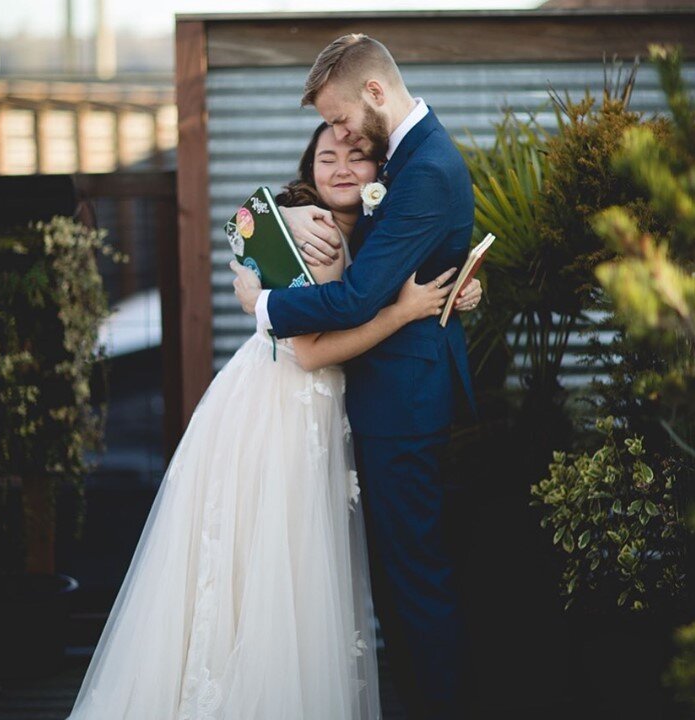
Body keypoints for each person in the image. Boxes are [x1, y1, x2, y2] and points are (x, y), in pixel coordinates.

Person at [65, 120, 479, 720]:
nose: (340, 169)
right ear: (308, 168)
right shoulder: (314, 229)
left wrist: (463, 290)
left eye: (357, 158)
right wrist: (403, 311)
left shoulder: (364, 227)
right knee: (273, 567)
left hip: (309, 403)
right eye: (326, 157)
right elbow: (310, 348)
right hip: (285, 405)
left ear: (378, 175)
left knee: (282, 573)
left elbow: (371, 279)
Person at [232, 33, 481, 719]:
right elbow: (254, 223)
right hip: (384, 398)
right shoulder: (406, 161)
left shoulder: (422, 167)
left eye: (342, 118)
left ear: (375, 93)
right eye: (329, 133)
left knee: (415, 584)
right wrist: (254, 254)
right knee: (404, 581)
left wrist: (264, 306)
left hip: (400, 405)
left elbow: (356, 296)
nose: (339, 135)